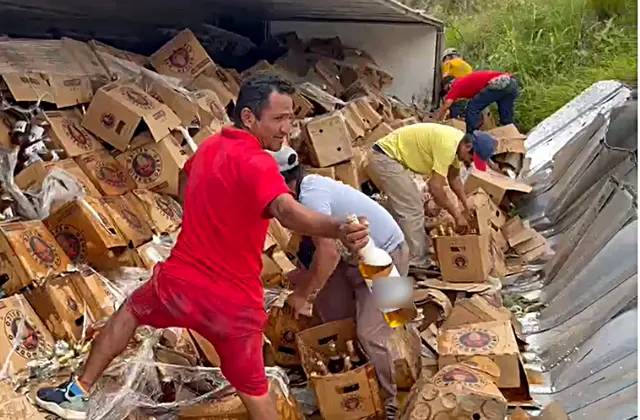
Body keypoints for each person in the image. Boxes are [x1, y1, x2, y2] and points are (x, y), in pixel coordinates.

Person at [35, 74, 370, 420]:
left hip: (180, 286)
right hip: (233, 306)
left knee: (130, 312)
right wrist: (338, 227)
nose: (287, 128)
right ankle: (77, 394)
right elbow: (286, 211)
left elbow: (184, 175)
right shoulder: (259, 164)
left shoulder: (211, 146)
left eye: (290, 118)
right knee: (255, 394)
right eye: (279, 119)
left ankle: (77, 393)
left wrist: (196, 218)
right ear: (249, 118)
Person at [269, 146, 410, 420]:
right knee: (334, 321)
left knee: (372, 333)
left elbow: (329, 252)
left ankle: (388, 405)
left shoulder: (310, 195)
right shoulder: (300, 196)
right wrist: (301, 279)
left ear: (285, 185)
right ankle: (350, 386)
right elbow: (311, 247)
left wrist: (303, 294)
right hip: (352, 259)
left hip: (390, 254)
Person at [366, 123, 497, 271]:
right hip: (384, 158)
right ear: (467, 147)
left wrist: (466, 206)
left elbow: (454, 179)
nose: (469, 162)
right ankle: (418, 262)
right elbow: (435, 187)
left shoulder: (457, 145)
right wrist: (456, 215)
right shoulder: (448, 146)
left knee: (401, 208)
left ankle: (389, 249)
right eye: (471, 158)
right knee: (412, 209)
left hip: (390, 159)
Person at [437, 70, 519, 134]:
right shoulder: (465, 82)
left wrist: (438, 121)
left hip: (499, 83)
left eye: (447, 91)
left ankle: (471, 136)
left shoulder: (456, 84)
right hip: (510, 83)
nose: (448, 94)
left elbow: (447, 105)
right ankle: (517, 135)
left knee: (472, 107)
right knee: (506, 119)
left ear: (449, 85)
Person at [440, 48, 473, 119]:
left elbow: (445, 77)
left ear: (447, 57)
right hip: (469, 98)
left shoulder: (449, 63)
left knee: (456, 120)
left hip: (457, 97)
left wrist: (442, 92)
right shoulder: (468, 66)